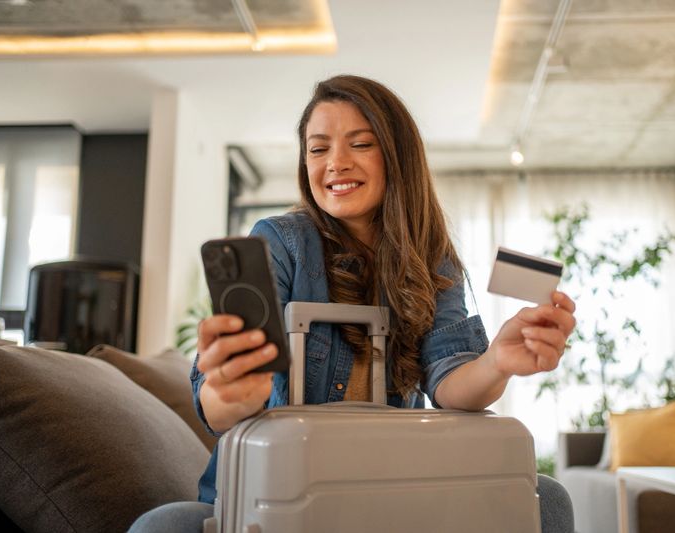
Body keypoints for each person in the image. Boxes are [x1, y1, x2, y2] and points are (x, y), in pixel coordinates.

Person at [130, 74, 577, 533]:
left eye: (360, 144)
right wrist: (228, 391)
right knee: (165, 526)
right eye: (318, 149)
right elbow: (223, 405)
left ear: (396, 156)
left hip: (383, 488)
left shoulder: (432, 258)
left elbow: (449, 379)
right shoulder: (281, 242)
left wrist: (497, 363)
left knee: (550, 500)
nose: (335, 164)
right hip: (271, 493)